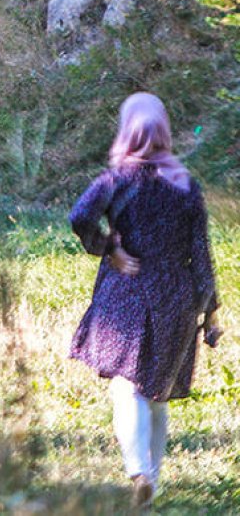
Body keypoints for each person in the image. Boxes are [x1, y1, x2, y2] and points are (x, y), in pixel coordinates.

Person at [68, 92, 222, 508]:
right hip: (177, 296)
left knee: (127, 386)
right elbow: (201, 253)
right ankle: (151, 478)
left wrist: (108, 248)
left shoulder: (117, 179)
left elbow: (80, 216)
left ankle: (139, 471)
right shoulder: (186, 184)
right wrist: (210, 312)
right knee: (158, 390)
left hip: (128, 292)